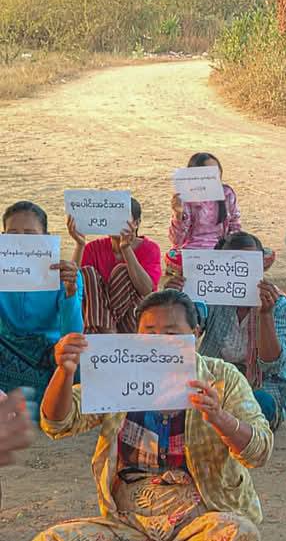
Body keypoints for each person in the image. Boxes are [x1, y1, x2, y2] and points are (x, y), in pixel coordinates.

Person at [27, 290, 272, 541]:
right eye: (150, 332)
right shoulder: (120, 373)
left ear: (195, 337)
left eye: (172, 333)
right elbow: (58, 422)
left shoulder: (223, 379)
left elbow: (259, 451)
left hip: (201, 516)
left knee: (241, 537)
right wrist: (65, 371)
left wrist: (219, 417)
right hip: (132, 524)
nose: (159, 341)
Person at [165, 232, 286, 431]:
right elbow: (190, 327)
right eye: (232, 265)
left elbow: (271, 364)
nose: (239, 271)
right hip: (214, 381)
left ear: (260, 266)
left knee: (258, 404)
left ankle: (219, 425)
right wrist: (175, 302)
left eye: (248, 264)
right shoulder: (213, 295)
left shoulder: (279, 306)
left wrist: (266, 315)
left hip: (260, 386)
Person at [0, 202, 83, 400]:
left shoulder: (65, 274)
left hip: (48, 352)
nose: (21, 243)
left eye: (30, 235)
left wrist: (70, 291)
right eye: (12, 235)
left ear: (45, 239)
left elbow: (72, 333)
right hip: (6, 348)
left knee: (75, 354)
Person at [68, 197, 161, 334]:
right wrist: (79, 245)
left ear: (136, 223)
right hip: (98, 320)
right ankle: (108, 330)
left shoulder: (150, 249)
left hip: (132, 319)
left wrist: (126, 249)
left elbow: (146, 290)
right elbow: (73, 284)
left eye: (120, 219)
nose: (113, 223)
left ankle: (105, 330)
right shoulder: (93, 248)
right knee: (86, 272)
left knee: (122, 271)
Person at [166, 152, 242, 276]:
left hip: (221, 248)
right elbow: (176, 241)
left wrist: (231, 249)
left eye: (216, 172)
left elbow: (235, 226)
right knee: (174, 256)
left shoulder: (227, 193)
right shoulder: (185, 197)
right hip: (192, 250)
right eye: (209, 173)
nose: (214, 177)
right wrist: (178, 214)